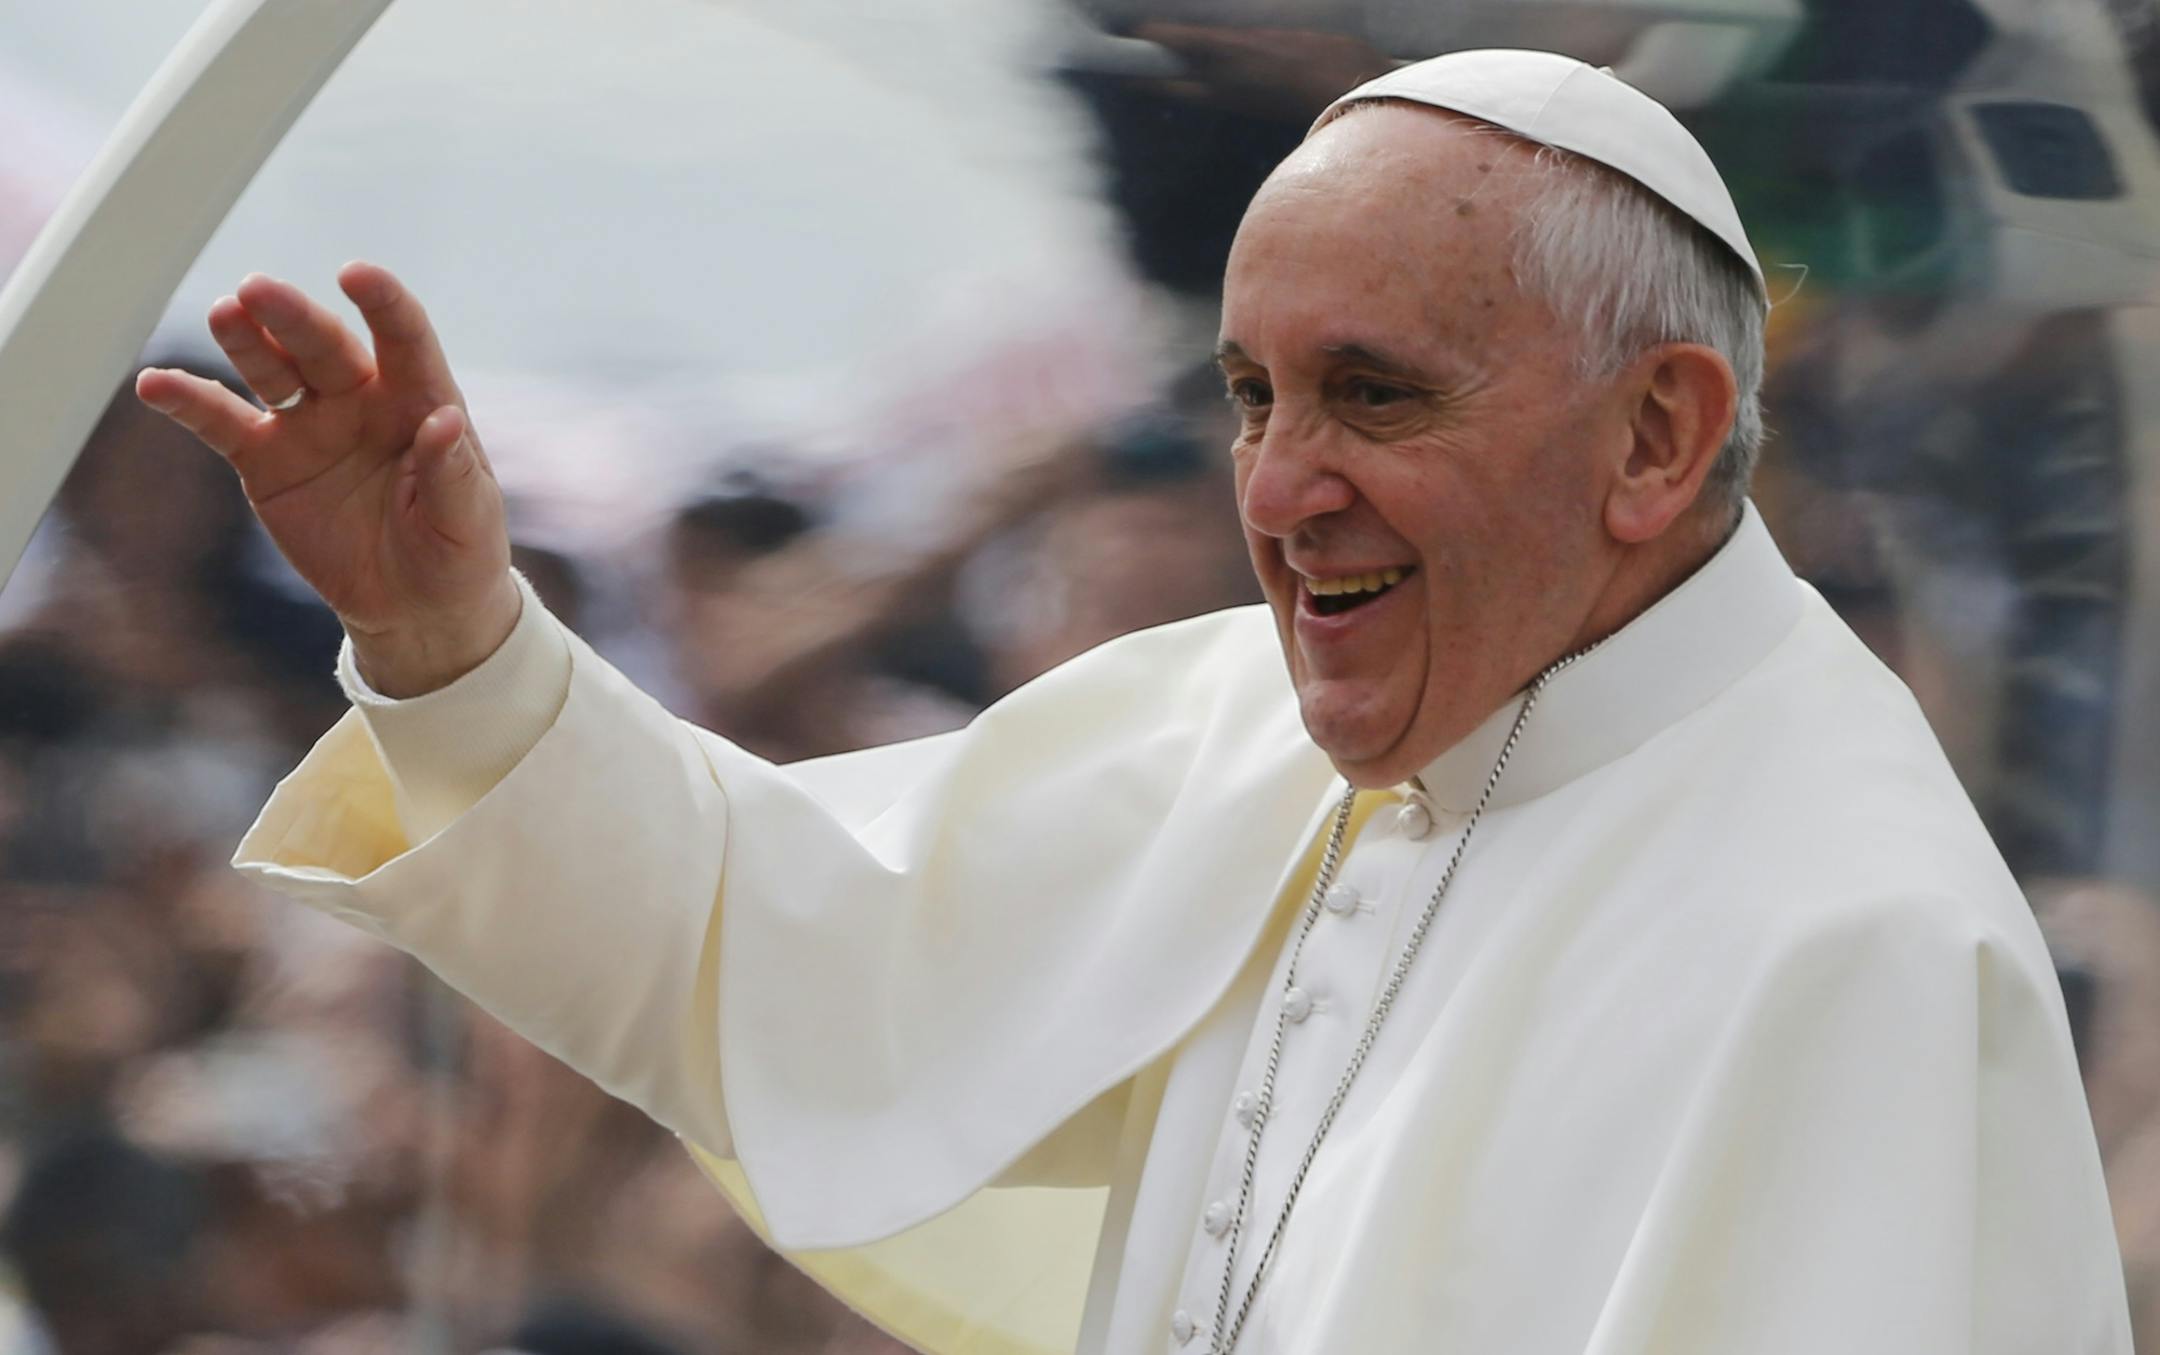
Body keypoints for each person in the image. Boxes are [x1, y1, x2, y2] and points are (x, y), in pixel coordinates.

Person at [135, 49, 2130, 1355]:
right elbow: (771, 939)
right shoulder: (1248, 730)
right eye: (1250, 396)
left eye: (1376, 392)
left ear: (1658, 433)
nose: (1276, 487)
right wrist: (450, 641)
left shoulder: (1854, 940)